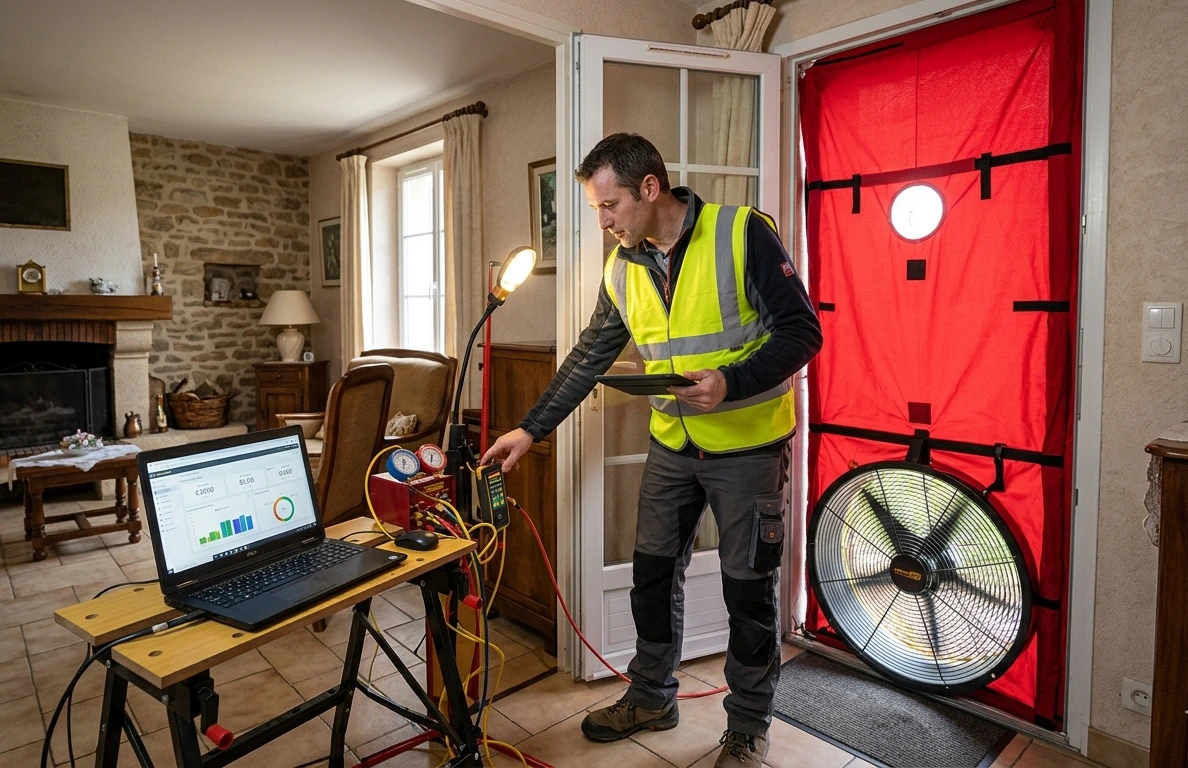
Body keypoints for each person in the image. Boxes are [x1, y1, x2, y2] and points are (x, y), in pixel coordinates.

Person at [482, 133, 822, 767]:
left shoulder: (741, 232)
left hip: (747, 446)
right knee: (651, 575)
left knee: (749, 591)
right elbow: (589, 357)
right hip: (672, 446)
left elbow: (805, 330)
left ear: (649, 188)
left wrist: (732, 382)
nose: (604, 222)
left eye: (609, 206)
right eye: (595, 210)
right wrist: (530, 429)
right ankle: (650, 695)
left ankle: (748, 725)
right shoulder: (623, 266)